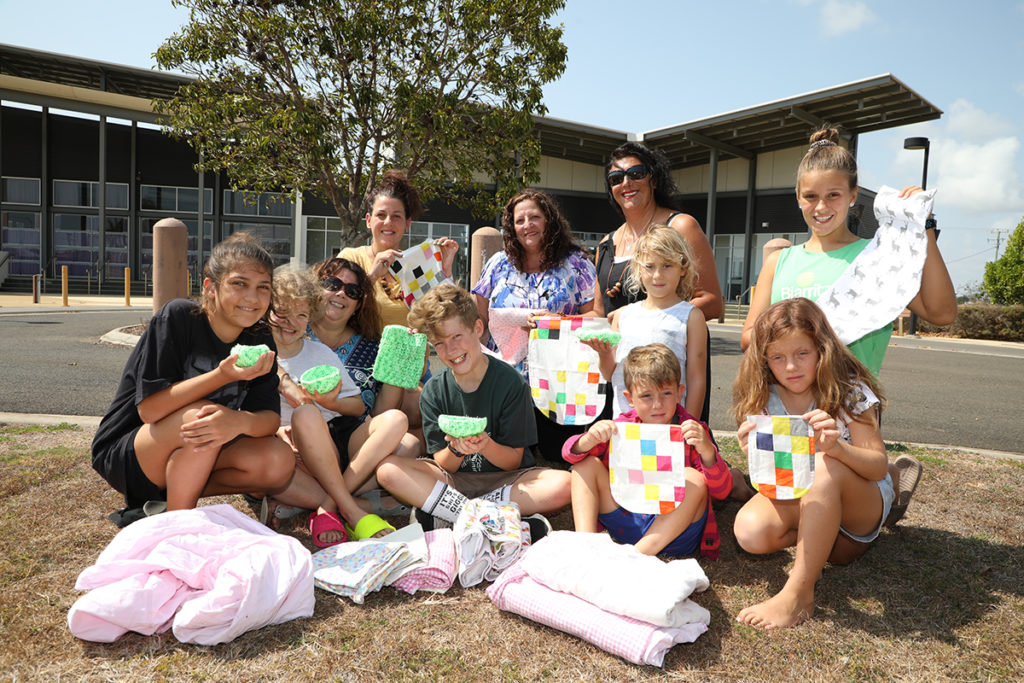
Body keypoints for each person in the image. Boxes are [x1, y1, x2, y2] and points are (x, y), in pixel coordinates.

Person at [731, 298, 917, 630]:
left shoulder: (849, 390)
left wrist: (837, 450)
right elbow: (779, 480)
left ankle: (799, 594)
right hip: (813, 505)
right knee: (749, 532)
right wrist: (755, 455)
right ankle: (819, 539)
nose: (790, 367)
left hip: (856, 507)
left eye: (802, 353)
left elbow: (874, 464)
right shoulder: (764, 396)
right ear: (764, 360)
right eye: (778, 357)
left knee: (822, 465)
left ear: (822, 349)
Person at [91, 232, 294, 523]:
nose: (253, 297)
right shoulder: (178, 317)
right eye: (239, 284)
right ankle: (177, 525)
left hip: (197, 450)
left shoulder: (259, 337)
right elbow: (149, 410)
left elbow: (269, 419)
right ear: (211, 287)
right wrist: (220, 376)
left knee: (279, 461)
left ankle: (172, 495)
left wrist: (236, 421)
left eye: (263, 287)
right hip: (132, 452)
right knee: (204, 419)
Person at [740, 127, 957, 376]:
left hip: (852, 408)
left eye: (834, 195)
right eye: (810, 196)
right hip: (785, 408)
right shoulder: (778, 262)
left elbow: (942, 313)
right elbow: (747, 339)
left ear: (853, 194)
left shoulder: (878, 257)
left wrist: (923, 223)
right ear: (798, 197)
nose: (821, 207)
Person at [375, 284, 571, 535]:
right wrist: (456, 449)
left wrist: (484, 445)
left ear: (478, 328)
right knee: (388, 470)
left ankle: (448, 515)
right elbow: (443, 464)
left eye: (457, 336)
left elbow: (513, 461)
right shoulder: (434, 390)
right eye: (440, 343)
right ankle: (495, 519)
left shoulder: (511, 383)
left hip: (508, 482)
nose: (451, 350)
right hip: (452, 483)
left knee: (564, 484)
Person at [265, 268, 417, 545]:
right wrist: (278, 432)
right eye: (282, 312)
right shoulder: (257, 352)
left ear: (310, 315)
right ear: (267, 309)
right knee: (305, 415)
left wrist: (331, 402)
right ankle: (354, 506)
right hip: (293, 450)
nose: (291, 322)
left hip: (338, 440)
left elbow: (359, 407)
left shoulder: (319, 351)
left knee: (396, 420)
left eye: (300, 315)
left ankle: (331, 504)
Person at [592, 141, 722, 423]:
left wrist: (651, 317)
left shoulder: (680, 226)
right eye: (616, 178)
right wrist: (556, 320)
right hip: (626, 386)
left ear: (654, 178)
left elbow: (712, 301)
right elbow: (598, 312)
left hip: (670, 383)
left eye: (636, 173)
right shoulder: (606, 243)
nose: (626, 182)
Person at [562, 344, 732, 558]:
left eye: (666, 393)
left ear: (680, 393)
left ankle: (637, 556)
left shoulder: (692, 431)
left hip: (674, 532)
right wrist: (588, 440)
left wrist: (707, 451)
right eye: (646, 396)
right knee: (585, 464)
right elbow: (569, 454)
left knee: (694, 479)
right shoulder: (621, 427)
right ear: (630, 398)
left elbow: (723, 491)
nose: (657, 404)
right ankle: (585, 546)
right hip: (627, 518)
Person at [471, 189, 597, 462]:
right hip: (507, 377)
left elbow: (595, 315)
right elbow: (478, 318)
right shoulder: (498, 264)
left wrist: (556, 323)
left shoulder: (576, 264)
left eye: (535, 217)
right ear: (511, 227)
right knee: (512, 456)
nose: (527, 225)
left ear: (549, 220)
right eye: (520, 220)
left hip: (558, 378)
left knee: (556, 454)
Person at [583, 225, 707, 420]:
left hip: (670, 426)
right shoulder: (622, 316)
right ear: (638, 269)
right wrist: (603, 353)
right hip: (626, 426)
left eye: (667, 265)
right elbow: (610, 375)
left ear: (682, 268)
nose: (658, 275)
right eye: (650, 266)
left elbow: (696, 378)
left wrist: (689, 425)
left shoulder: (691, 316)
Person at [339, 168, 459, 328]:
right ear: (368, 220)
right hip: (364, 353)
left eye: (396, 216)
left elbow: (444, 319)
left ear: (407, 224)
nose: (388, 222)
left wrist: (444, 271)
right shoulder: (350, 260)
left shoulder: (419, 265)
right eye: (381, 215)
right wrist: (372, 276)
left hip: (415, 353)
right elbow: (335, 308)